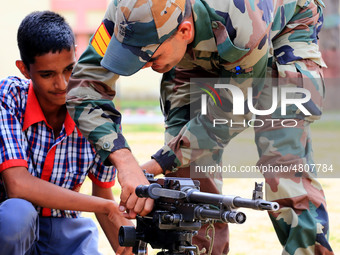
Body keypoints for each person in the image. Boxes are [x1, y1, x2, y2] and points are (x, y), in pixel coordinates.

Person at [66, 0, 333, 254]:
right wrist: (126, 165)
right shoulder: (127, 11)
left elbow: (230, 113)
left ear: (184, 30)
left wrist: (155, 165)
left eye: (148, 55)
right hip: (197, 37)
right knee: (186, 179)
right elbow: (83, 87)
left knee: (283, 163)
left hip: (282, 29)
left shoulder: (244, 23)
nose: (143, 66)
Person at [0, 11, 132, 255]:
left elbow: (103, 192)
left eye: (69, 69)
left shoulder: (96, 112)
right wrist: (106, 207)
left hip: (67, 229)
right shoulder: (9, 97)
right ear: (25, 70)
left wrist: (125, 247)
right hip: (15, 232)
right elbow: (17, 184)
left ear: (77, 57)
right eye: (47, 75)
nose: (62, 84)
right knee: (16, 215)